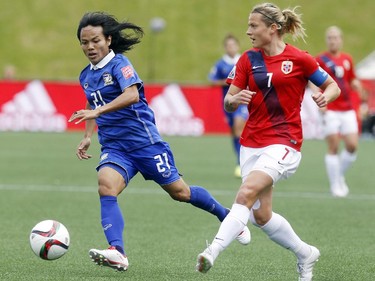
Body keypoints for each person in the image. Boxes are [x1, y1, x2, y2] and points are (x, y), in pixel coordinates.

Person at [68, 12, 250, 272]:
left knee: (181, 193)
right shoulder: (86, 75)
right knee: (106, 187)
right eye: (84, 43)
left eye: (95, 40)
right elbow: (91, 100)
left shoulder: (120, 64)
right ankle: (117, 251)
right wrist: (88, 135)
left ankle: (228, 216)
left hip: (145, 144)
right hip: (115, 147)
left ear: (108, 39)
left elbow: (131, 95)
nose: (90, 47)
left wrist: (97, 112)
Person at [196, 3, 340, 281]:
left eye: (253, 26)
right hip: (251, 142)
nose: (248, 31)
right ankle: (306, 253)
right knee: (261, 216)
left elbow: (330, 85)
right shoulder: (247, 60)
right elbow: (229, 100)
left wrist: (327, 97)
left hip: (285, 142)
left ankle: (211, 251)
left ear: (273, 29)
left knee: (245, 194)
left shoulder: (300, 59)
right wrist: (233, 99)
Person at [315, 26, 362, 197]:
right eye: (330, 37)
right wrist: (320, 99)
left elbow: (351, 79)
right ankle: (335, 184)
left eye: (335, 37)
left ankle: (338, 175)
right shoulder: (320, 59)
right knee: (333, 146)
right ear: (327, 40)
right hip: (330, 109)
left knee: (352, 146)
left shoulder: (347, 59)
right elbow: (313, 81)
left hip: (347, 109)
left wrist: (355, 83)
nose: (332, 40)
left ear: (341, 40)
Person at [209, 34, 249, 178]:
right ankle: (239, 160)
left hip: (242, 101)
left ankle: (242, 163)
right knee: (233, 132)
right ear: (225, 48)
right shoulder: (221, 64)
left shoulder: (244, 60)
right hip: (228, 101)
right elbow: (212, 81)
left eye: (233, 45)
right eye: (228, 45)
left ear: (237, 46)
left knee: (239, 129)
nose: (231, 48)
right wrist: (230, 82)